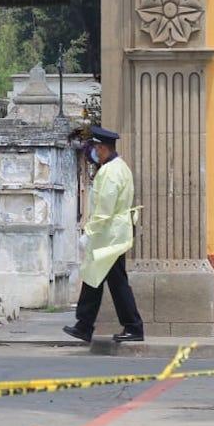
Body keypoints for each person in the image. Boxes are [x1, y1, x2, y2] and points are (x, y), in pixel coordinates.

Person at [63, 126, 145, 344]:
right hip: (112, 234)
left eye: (95, 149)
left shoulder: (110, 172)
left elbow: (104, 209)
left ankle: (132, 327)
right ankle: (85, 325)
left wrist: (89, 233)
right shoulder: (119, 167)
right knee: (95, 279)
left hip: (109, 235)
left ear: (102, 148)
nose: (93, 153)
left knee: (114, 282)